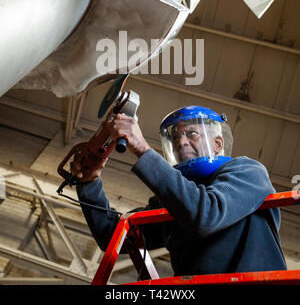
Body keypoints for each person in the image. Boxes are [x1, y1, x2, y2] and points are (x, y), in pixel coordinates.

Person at [71, 106, 287, 276]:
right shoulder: (171, 200)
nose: (181, 143)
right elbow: (112, 236)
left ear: (218, 144)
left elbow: (206, 215)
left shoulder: (247, 170)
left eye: (191, 134)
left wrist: (142, 149)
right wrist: (89, 183)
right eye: (174, 138)